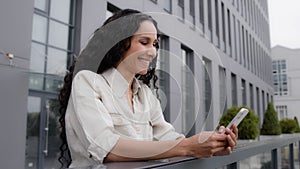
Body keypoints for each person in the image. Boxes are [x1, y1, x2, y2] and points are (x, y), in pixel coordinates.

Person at [58, 9, 238, 168]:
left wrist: (209, 145)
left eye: (155, 44)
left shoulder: (146, 95)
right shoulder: (88, 82)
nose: (153, 52)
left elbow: (168, 138)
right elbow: (108, 149)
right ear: (118, 43)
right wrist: (187, 147)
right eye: (144, 42)